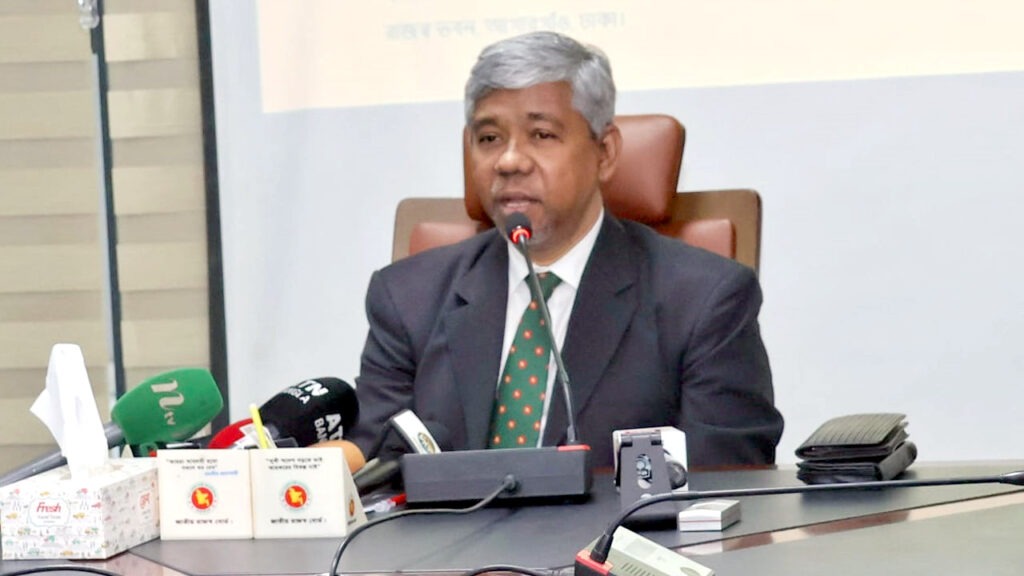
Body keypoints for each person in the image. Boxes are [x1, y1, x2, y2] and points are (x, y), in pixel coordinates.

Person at [339, 30, 783, 470]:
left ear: (605, 153)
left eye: (541, 135)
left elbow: (724, 474)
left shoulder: (703, 299)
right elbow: (373, 458)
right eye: (489, 138)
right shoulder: (407, 297)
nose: (510, 161)